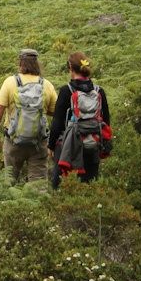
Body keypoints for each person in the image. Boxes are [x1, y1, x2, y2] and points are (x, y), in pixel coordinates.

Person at [0, 48, 58, 186]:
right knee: (38, 184)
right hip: (39, 142)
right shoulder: (46, 84)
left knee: (10, 182)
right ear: (37, 64)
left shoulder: (10, 82)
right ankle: (37, 200)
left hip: (13, 141)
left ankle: (12, 200)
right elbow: (55, 112)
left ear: (20, 63)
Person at [49, 51, 111, 190]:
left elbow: (57, 122)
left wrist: (51, 146)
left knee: (60, 185)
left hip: (67, 146)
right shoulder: (99, 91)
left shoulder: (66, 91)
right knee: (90, 184)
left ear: (71, 68)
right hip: (92, 144)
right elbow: (106, 121)